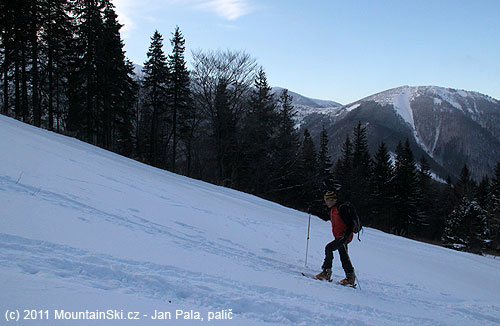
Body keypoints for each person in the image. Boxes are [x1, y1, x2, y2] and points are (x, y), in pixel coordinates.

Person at [315, 190, 356, 286]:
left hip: (344, 237)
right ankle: (350, 278)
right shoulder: (334, 209)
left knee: (329, 248)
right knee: (344, 256)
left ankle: (326, 272)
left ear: (334, 200)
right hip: (341, 237)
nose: (327, 202)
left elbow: (351, 224)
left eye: (329, 200)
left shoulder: (341, 208)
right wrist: (314, 212)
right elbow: (326, 217)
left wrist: (345, 237)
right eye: (326, 200)